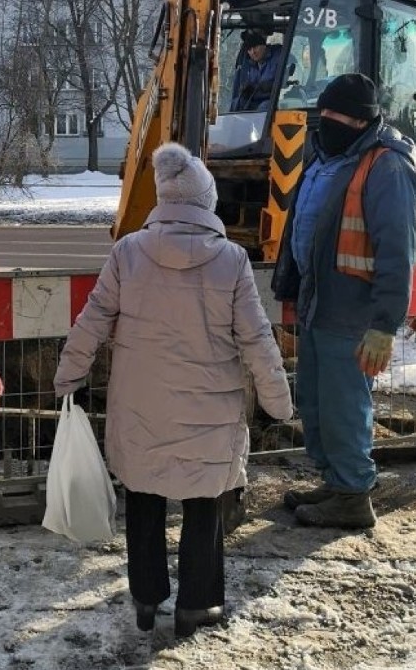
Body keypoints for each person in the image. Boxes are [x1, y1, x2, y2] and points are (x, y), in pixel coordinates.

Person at [53, 142, 292, 639]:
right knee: (204, 505)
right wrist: (278, 401)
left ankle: (146, 599)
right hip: (210, 412)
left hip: (139, 407)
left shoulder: (128, 252)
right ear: (206, 201)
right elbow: (256, 338)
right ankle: (197, 605)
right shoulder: (231, 260)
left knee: (143, 499)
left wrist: (68, 375)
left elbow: (93, 319)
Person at [272, 73, 416, 530]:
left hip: (352, 313)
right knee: (317, 403)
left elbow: (398, 250)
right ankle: (335, 481)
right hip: (320, 305)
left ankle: (354, 495)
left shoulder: (386, 167)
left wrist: (383, 324)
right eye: (325, 114)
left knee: (343, 406)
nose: (327, 123)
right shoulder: (326, 156)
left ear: (363, 120)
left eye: (338, 117)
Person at [230, 29, 283, 111]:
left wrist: (271, 86)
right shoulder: (248, 65)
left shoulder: (278, 56)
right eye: (249, 50)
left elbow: (289, 78)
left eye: (255, 47)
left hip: (275, 100)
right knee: (236, 103)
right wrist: (247, 89)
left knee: (264, 107)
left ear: (264, 45)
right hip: (256, 101)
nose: (253, 52)